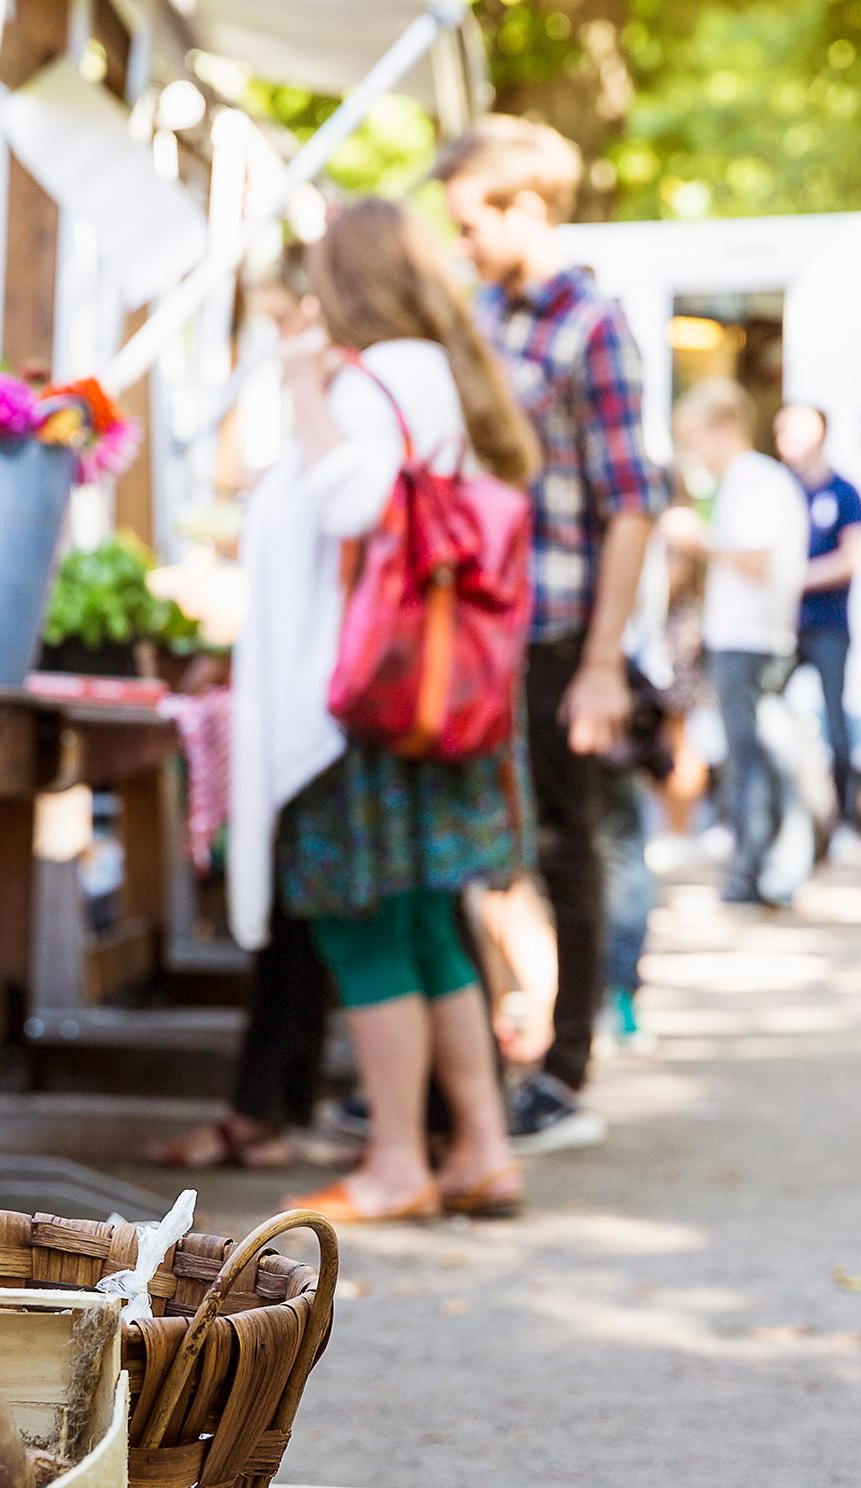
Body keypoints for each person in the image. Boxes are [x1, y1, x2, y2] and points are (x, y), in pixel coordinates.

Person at [237, 198, 539, 1224]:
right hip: (423, 700)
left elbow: (351, 504)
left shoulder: (371, 379)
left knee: (363, 932)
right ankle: (481, 1153)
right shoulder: (441, 369)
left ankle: (399, 1162)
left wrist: (302, 387)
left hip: (352, 710)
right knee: (424, 931)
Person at [438, 116, 667, 1152]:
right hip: (479, 624)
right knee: (477, 850)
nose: (462, 241)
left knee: (565, 846)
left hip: (559, 627)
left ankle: (564, 1073)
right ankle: (476, 1071)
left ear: (527, 205)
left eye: (472, 220)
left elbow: (631, 500)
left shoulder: (593, 326)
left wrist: (602, 661)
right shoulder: (479, 312)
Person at [153, 252, 330, 1173]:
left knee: (313, 910)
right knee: (303, 918)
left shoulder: (338, 404)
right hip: (301, 695)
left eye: (280, 323)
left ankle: (266, 1109)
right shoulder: (321, 415)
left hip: (323, 708)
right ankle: (272, 1108)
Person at [673, 379, 810, 906]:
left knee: (753, 762)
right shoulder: (744, 482)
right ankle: (763, 868)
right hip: (747, 638)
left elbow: (753, 560)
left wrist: (697, 539)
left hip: (751, 641)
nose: (695, 453)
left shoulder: (755, 482)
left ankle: (754, 872)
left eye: (697, 438)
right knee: (761, 757)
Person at [774, 401, 861, 859]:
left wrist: (795, 576)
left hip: (827, 626)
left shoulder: (844, 493)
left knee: (836, 722)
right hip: (780, 629)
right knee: (765, 719)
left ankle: (846, 820)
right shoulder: (779, 489)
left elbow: (855, 557)